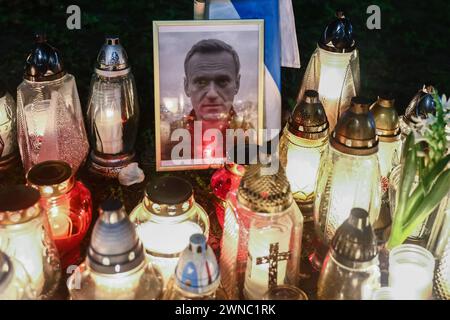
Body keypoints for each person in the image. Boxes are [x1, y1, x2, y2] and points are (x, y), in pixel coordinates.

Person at [162, 39, 254, 163]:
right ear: (186, 86)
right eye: (201, 82)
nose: (212, 94)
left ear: (237, 84)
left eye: (222, 81)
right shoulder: (168, 140)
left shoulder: (252, 137)